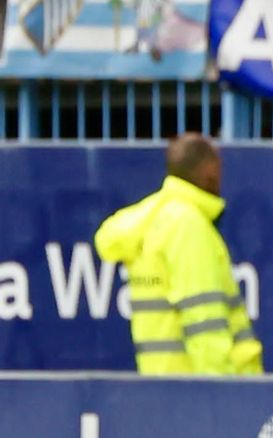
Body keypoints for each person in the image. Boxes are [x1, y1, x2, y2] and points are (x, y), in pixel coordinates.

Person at [93, 134, 263, 376]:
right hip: (199, 390)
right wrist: (223, 390)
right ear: (209, 172)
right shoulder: (187, 225)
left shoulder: (153, 221)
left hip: (163, 384)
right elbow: (204, 321)